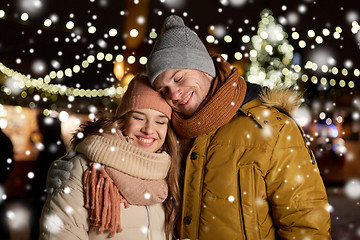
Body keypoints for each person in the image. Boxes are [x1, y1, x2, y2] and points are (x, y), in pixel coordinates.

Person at [47, 15, 332, 239]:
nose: (174, 93)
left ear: (204, 68)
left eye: (179, 78)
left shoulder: (271, 128)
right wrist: (79, 167)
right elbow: (129, 158)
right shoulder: (172, 134)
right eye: (164, 89)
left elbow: (306, 222)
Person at [39, 75, 181, 240]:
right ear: (122, 121)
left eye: (160, 122)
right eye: (139, 118)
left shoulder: (170, 173)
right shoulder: (84, 168)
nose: (149, 130)